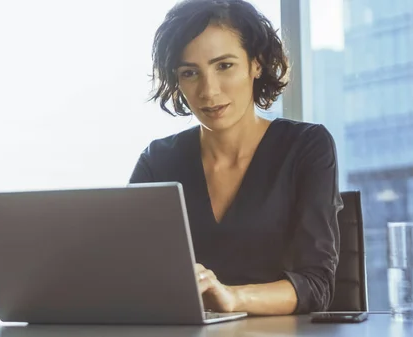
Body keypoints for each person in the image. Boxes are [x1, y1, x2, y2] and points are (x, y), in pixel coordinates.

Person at [129, 0, 343, 316]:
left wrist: (231, 297)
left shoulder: (306, 146)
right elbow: (127, 272)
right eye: (190, 73)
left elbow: (316, 285)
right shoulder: (157, 161)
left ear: (256, 64)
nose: (208, 91)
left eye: (224, 66)